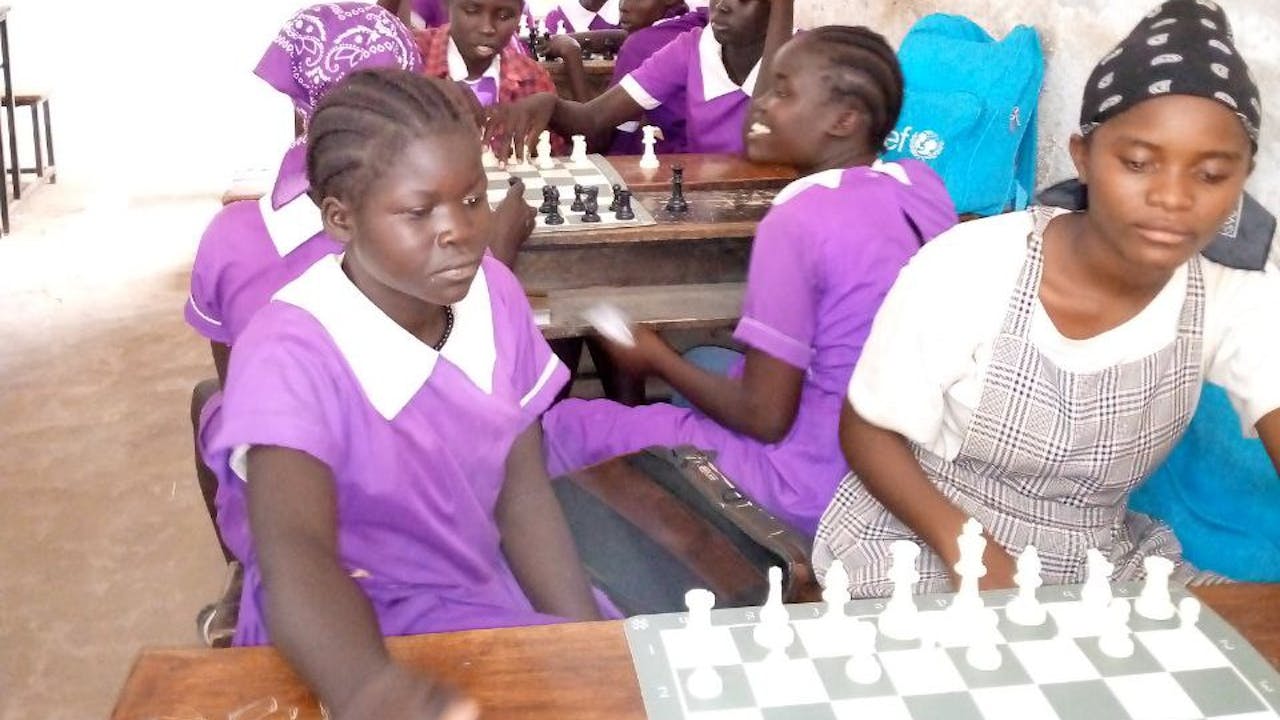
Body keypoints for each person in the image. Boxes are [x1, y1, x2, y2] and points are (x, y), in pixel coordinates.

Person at [813, 0, 1280, 597]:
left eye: (1211, 174)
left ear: (1243, 178)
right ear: (1084, 156)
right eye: (1138, 163)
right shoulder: (974, 265)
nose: (1172, 196)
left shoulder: (1226, 294)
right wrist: (970, 551)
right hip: (929, 534)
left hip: (1097, 558)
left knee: (1232, 647)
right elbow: (867, 429)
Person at [206, 68, 602, 718]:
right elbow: (294, 552)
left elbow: (525, 493)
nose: (458, 231)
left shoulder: (495, 295)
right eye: (419, 212)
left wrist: (585, 640)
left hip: (472, 592)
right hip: (339, 637)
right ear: (341, 219)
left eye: (473, 200)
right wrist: (369, 687)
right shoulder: (292, 352)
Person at [540, 26, 958, 536]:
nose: (760, 104)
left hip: (811, 484)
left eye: (783, 90)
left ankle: (618, 577)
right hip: (911, 470)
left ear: (845, 120)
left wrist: (653, 357)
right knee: (707, 363)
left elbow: (764, 418)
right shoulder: (922, 186)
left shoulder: (800, 217)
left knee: (568, 425)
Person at [186, 2, 424, 644]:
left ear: (304, 108)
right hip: (415, 492)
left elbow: (244, 396)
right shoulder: (437, 226)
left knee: (212, 402)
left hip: (289, 493)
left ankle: (245, 568)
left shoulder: (230, 235)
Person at [486, 0, 769, 157]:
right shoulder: (690, 48)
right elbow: (592, 119)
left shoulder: (804, 60)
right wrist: (551, 105)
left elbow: (760, 147)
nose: (722, 6)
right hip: (712, 209)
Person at [606, 0, 706, 154]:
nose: (623, 6)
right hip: (723, 156)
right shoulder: (698, 25)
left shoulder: (638, 46)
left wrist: (572, 56)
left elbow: (605, 127)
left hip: (676, 165)